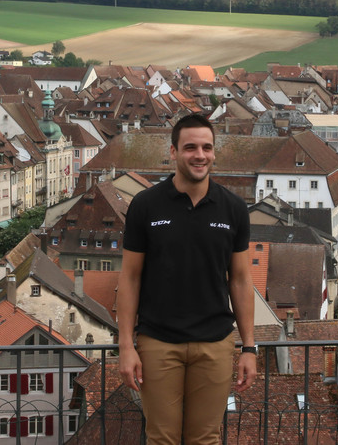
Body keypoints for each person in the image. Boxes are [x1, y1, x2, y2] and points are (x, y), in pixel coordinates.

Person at [118, 114, 256, 444]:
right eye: (190, 147)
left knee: (205, 438)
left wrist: (249, 347)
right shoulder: (146, 206)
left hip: (215, 343)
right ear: (173, 152)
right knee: (161, 438)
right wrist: (125, 344)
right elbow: (130, 278)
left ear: (214, 153)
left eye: (207, 147)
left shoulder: (233, 209)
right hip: (158, 342)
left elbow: (239, 280)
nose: (200, 155)